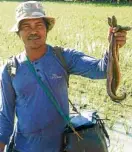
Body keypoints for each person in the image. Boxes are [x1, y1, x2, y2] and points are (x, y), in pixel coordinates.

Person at [0, 1, 127, 152]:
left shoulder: (63, 57)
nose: (33, 31)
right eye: (26, 26)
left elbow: (102, 70)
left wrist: (113, 45)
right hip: (24, 148)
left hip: (61, 147)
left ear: (47, 29)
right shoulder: (10, 69)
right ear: (18, 32)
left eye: (39, 25)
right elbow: (5, 116)